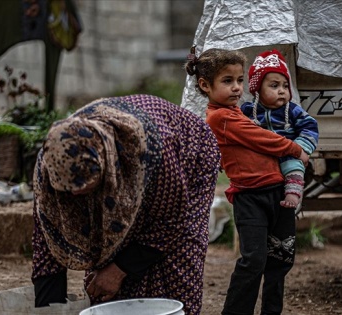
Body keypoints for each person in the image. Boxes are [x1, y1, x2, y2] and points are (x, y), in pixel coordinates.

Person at [31, 94, 221, 315]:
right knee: (110, 279)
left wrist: (118, 270)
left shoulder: (153, 150)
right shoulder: (51, 167)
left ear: (107, 166)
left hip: (188, 157)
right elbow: (47, 246)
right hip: (132, 171)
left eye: (87, 187)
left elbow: (172, 220)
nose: (77, 195)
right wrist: (49, 309)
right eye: (70, 191)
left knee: (176, 262)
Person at [185, 47, 309, 315]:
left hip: (277, 193)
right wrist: (294, 148)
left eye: (240, 80)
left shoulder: (237, 111)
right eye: (227, 81)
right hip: (250, 197)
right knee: (254, 260)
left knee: (280, 260)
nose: (236, 88)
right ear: (205, 85)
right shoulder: (220, 117)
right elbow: (260, 137)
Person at [241, 49, 319, 212]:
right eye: (274, 86)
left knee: (293, 166)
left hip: (287, 152)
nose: (282, 91)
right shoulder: (248, 110)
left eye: (285, 86)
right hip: (261, 156)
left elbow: (310, 126)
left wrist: (300, 147)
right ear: (257, 89)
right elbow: (237, 130)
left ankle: (294, 194)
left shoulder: (292, 110)